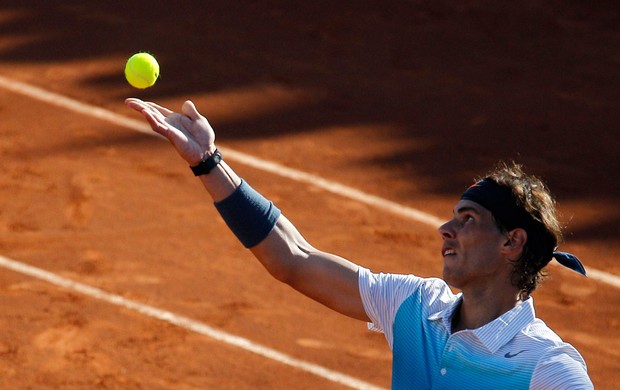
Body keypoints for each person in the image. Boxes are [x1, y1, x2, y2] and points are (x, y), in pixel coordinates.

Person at [125, 98, 593, 389]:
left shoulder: (546, 369)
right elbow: (295, 259)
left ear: (511, 242)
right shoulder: (416, 308)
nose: (444, 230)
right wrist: (208, 162)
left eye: (467, 220)